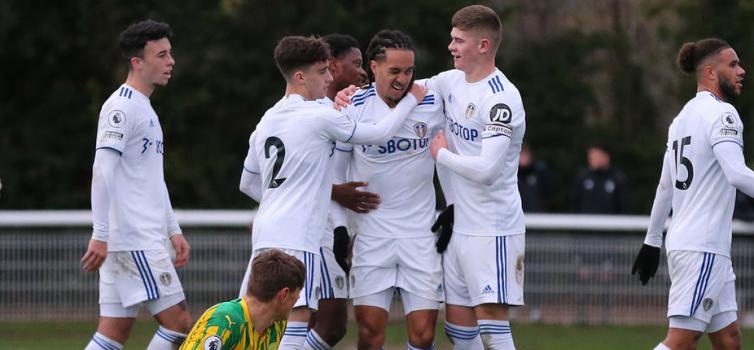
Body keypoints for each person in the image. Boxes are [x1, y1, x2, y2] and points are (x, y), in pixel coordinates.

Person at [238, 35, 425, 349]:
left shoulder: (267, 119)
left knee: (257, 324)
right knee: (296, 322)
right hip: (299, 238)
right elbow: (379, 133)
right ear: (300, 77)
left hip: (266, 233)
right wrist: (411, 99)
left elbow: (247, 183)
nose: (328, 78)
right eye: (322, 71)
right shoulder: (318, 115)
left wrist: (288, 198)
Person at [80, 20, 192, 350]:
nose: (170, 61)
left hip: (135, 237)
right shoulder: (122, 106)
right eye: (161, 54)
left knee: (112, 334)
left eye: (170, 53)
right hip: (133, 239)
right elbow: (102, 170)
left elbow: (150, 179)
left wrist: (172, 228)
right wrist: (101, 234)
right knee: (182, 326)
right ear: (137, 63)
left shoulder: (144, 107)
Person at [632, 38, 747, 350]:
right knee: (681, 342)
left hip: (694, 244)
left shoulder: (681, 119)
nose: (742, 71)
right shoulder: (723, 115)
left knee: (729, 340)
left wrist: (651, 241)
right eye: (733, 64)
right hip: (703, 246)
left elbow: (665, 187)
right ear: (710, 72)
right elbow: (737, 173)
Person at [333, 29, 445, 350]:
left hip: (419, 236)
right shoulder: (352, 105)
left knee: (423, 336)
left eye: (409, 71)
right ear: (373, 68)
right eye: (394, 71)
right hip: (372, 237)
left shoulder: (432, 100)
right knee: (369, 335)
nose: (403, 79)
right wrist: (343, 229)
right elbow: (338, 176)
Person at [429, 5, 526, 349]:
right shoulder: (449, 81)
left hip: (491, 226)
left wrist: (442, 154)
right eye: (452, 39)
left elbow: (487, 170)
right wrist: (354, 93)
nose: (451, 46)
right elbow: (405, 90)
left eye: (459, 40)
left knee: (492, 330)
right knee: (458, 331)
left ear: (483, 45)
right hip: (458, 226)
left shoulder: (501, 98)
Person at [308, 33, 369, 349]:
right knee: (328, 324)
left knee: (322, 324)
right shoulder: (311, 112)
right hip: (316, 230)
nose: (362, 71)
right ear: (332, 64)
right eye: (356, 63)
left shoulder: (354, 110)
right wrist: (333, 192)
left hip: (339, 228)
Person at [181, 250, 305, 350]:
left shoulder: (277, 324)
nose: (299, 297)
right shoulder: (225, 320)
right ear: (284, 294)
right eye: (298, 292)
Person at [570, 144, 628, 214]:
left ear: (606, 157)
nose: (592, 160)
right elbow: (575, 203)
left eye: (596, 157)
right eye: (590, 157)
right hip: (586, 222)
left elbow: (623, 205)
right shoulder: (582, 176)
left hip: (610, 223)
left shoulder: (617, 177)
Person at [518, 143, 556, 213]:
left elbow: (549, 192)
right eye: (521, 155)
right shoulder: (512, 176)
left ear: (530, 156)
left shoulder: (540, 173)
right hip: (517, 214)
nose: (523, 158)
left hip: (538, 215)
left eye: (525, 155)